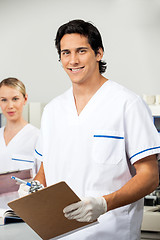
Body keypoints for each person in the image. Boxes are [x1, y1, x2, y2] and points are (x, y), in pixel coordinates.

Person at [20, 20, 160, 240]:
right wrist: (32, 188)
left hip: (110, 234)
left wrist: (104, 204)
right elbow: (45, 171)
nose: (73, 60)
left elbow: (150, 176)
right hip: (58, 234)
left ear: (98, 53)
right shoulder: (53, 110)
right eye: (65, 53)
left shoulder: (127, 104)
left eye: (81, 51)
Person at [0, 77, 40, 176]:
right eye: (4, 100)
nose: (10, 105)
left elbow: (42, 180)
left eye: (15, 99)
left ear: (25, 99)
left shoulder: (37, 137)